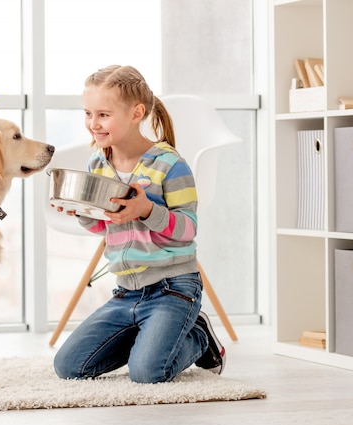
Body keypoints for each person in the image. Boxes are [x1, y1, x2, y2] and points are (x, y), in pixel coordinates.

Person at [52, 65, 225, 384]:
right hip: (126, 293)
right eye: (88, 114)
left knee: (148, 372)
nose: (93, 124)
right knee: (69, 366)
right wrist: (81, 212)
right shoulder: (98, 163)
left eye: (103, 114)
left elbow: (187, 230)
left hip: (173, 288)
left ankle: (198, 338)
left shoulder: (170, 164)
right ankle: (152, 338)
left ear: (136, 113)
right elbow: (108, 228)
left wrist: (147, 210)